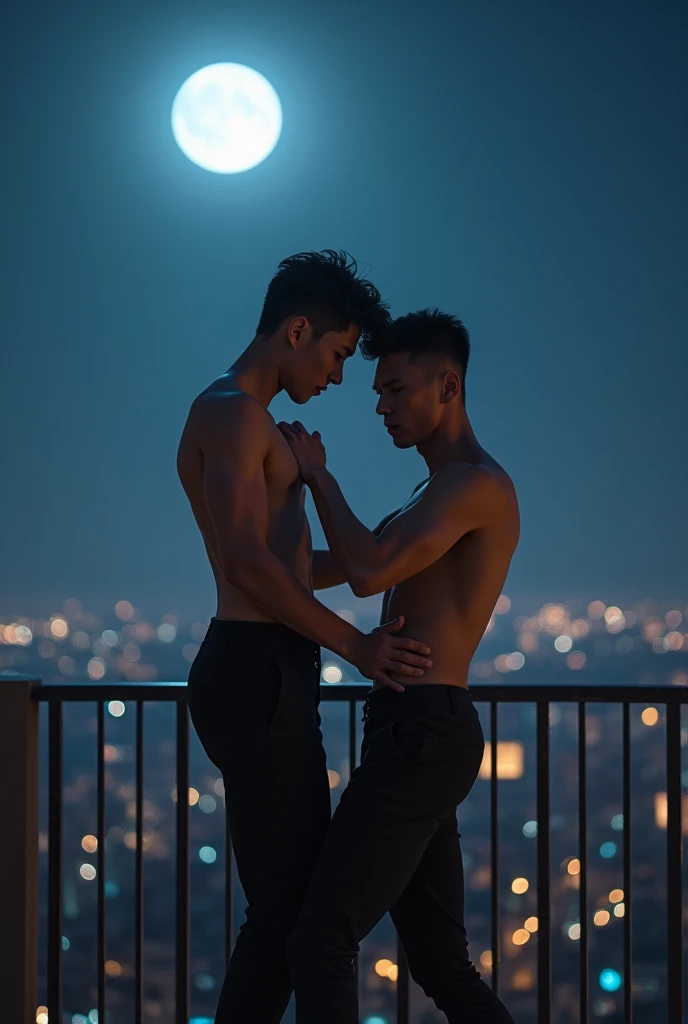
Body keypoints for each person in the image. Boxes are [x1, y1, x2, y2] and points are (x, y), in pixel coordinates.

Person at [176, 251, 433, 1024]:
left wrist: (372, 552)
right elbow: (248, 567)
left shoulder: (245, 421)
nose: (340, 376)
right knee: (285, 914)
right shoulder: (230, 413)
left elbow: (281, 563)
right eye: (337, 353)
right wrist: (356, 647)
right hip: (256, 668)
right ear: (296, 330)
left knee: (287, 909)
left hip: (267, 667)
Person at [279, 308, 519, 1024]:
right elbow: (349, 563)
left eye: (395, 389)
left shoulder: (472, 485)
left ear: (448, 386)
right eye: (378, 392)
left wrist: (317, 477)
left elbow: (369, 570)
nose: (381, 406)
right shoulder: (432, 492)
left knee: (319, 940)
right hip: (414, 730)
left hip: (423, 732)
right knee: (443, 966)